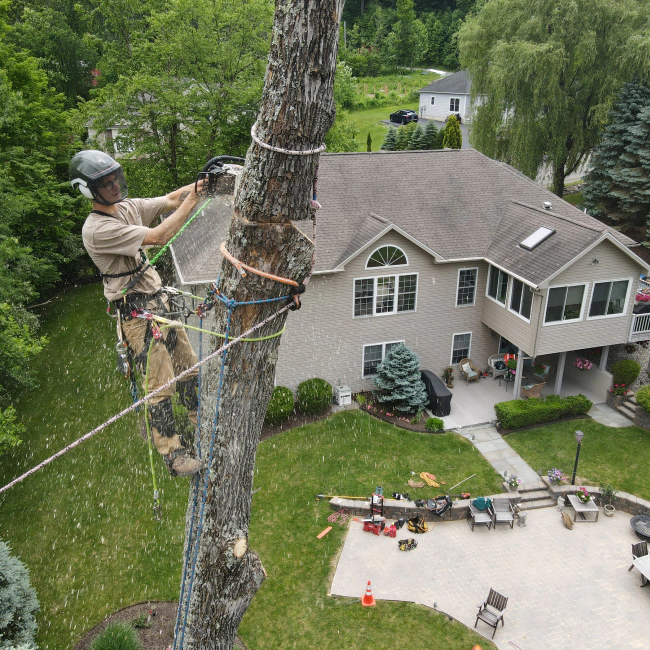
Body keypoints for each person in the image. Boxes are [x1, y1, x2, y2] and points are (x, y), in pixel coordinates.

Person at [70, 150, 204, 477]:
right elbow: (158, 236)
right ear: (90, 190)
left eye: (115, 177)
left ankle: (201, 421)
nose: (114, 185)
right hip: (136, 315)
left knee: (188, 368)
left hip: (158, 302)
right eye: (105, 183)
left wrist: (204, 185)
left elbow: (171, 199)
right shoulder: (96, 229)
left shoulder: (126, 207)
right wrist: (194, 200)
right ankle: (173, 455)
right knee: (160, 386)